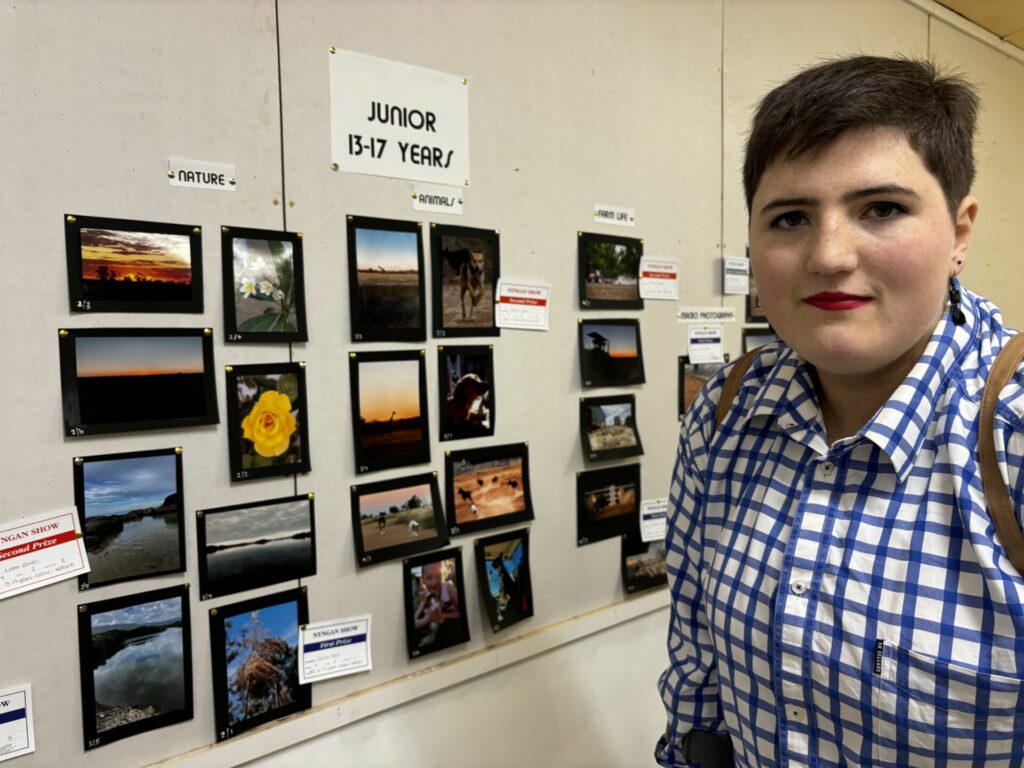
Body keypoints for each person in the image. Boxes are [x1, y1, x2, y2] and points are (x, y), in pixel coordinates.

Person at [657, 55, 1024, 767]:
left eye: (882, 209)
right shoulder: (725, 412)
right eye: (789, 217)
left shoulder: (1009, 430)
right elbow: (698, 671)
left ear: (961, 230)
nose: (828, 255)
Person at [413, 559, 462, 649]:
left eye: (438, 576)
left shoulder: (448, 588)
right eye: (429, 578)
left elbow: (466, 611)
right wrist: (427, 618)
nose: (434, 582)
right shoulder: (427, 596)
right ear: (423, 579)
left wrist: (443, 615)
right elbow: (414, 622)